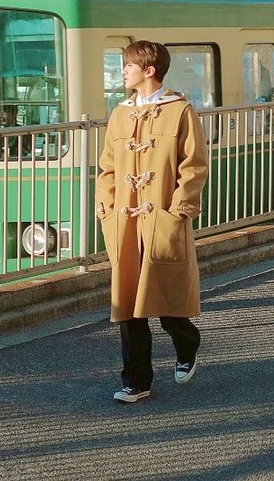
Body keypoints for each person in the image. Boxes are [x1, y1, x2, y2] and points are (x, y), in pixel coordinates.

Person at [96, 40, 208, 403]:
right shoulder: (120, 114)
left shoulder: (180, 111)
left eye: (128, 66)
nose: (123, 72)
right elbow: (107, 167)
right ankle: (137, 381)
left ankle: (187, 342)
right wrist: (106, 207)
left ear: (149, 70)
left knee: (166, 296)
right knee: (127, 302)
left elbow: (194, 166)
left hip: (162, 216)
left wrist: (179, 211)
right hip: (125, 220)